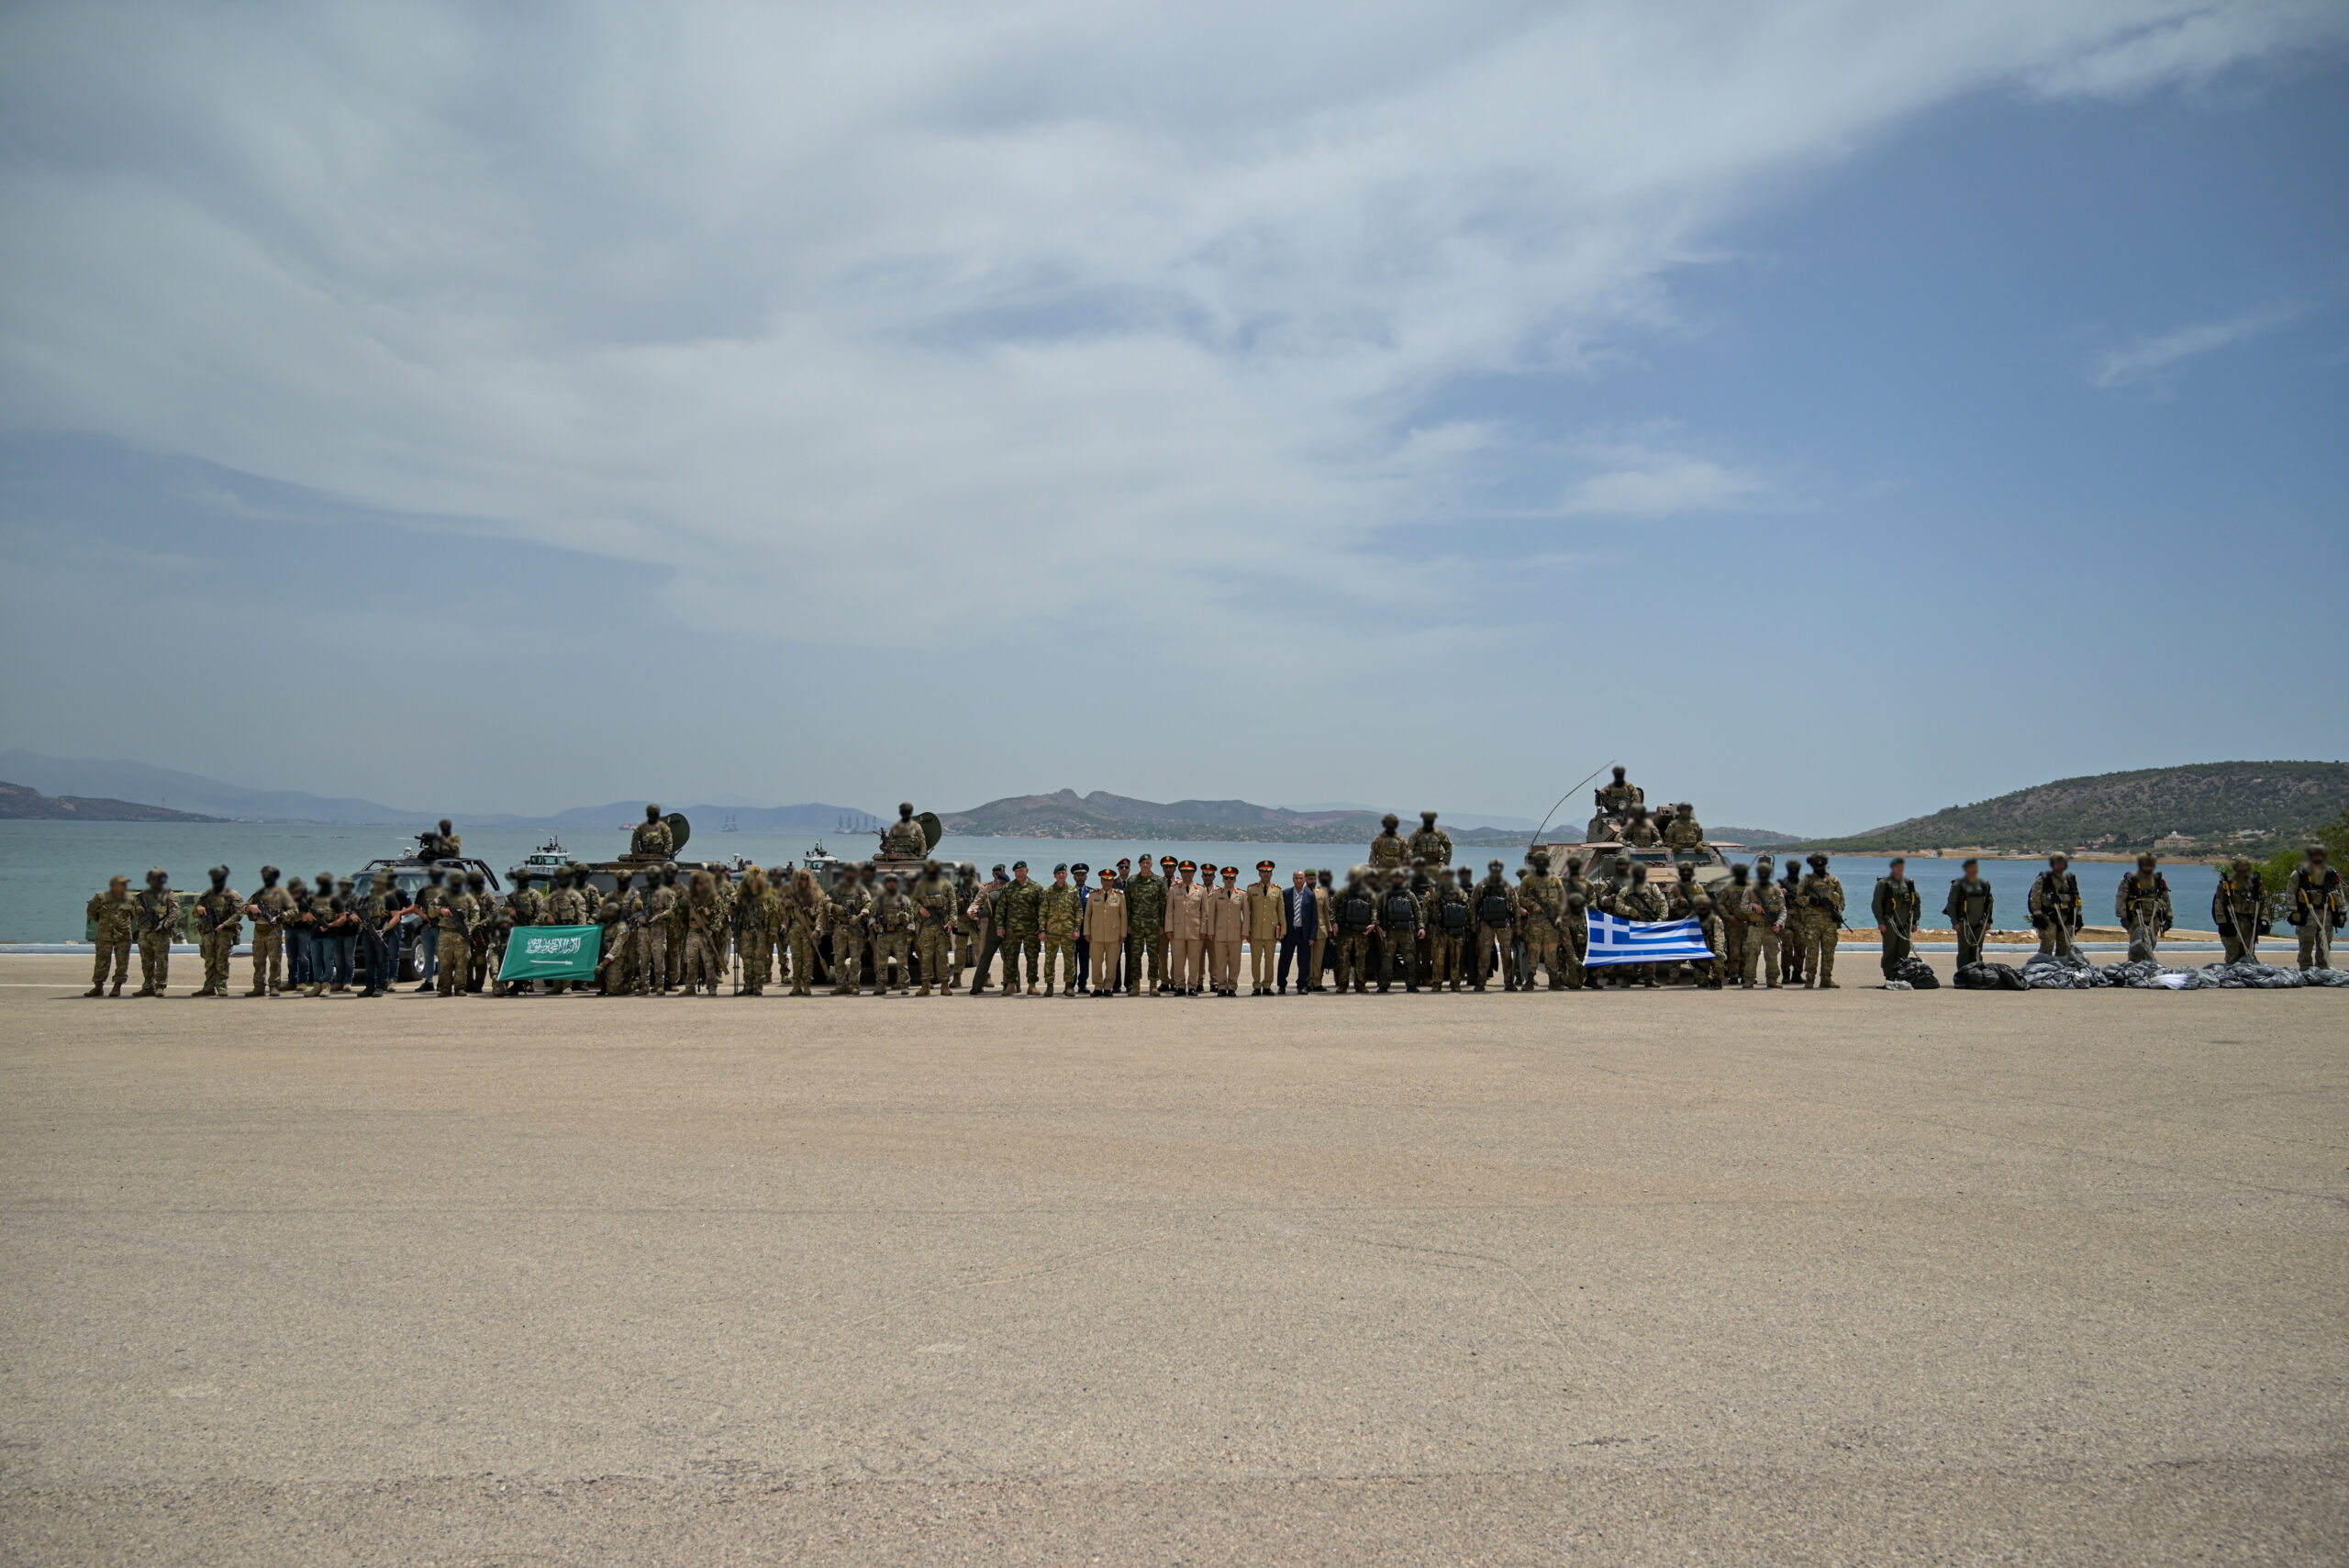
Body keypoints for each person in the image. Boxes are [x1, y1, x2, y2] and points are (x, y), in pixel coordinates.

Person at [2287, 844, 2343, 971]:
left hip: (2327, 912)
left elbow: (2338, 892)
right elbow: (2290, 892)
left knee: (2325, 941)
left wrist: (2342, 910)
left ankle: (2323, 967)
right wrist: (2294, 910)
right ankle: (2305, 967)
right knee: (2306, 941)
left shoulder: (2331, 873)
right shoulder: (2299, 873)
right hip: (2307, 912)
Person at [1518, 851, 1567, 990]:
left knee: (1551, 953)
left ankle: (1554, 981)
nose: (1541, 865)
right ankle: (1530, 980)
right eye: (1538, 862)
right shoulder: (1528, 880)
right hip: (1535, 923)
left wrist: (1560, 916)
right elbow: (1519, 897)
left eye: (1543, 862)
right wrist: (1533, 904)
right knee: (1533, 952)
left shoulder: (1555, 880)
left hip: (1551, 924)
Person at [1797, 852, 1846, 988]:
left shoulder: (1834, 880)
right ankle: (1810, 979)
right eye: (1816, 862)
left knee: (1829, 952)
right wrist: (1810, 900)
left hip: (1830, 921)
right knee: (1812, 952)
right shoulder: (1806, 881)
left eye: (1821, 861)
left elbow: (1842, 900)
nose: (1819, 864)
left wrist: (1837, 912)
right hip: (1812, 921)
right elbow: (1798, 899)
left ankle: (1826, 979)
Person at [191, 866, 242, 997]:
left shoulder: (232, 895)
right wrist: (199, 908)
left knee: (222, 960)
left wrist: (225, 924)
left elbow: (239, 913)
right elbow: (194, 913)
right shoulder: (207, 895)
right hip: (208, 932)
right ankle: (208, 987)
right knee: (209, 960)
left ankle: (221, 986)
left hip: (225, 932)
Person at [128, 868, 179, 997]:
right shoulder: (142, 896)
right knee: (146, 961)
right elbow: (132, 912)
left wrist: (164, 925)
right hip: (145, 932)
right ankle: (148, 986)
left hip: (160, 933)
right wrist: (137, 909)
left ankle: (160, 986)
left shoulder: (169, 895)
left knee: (161, 960)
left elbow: (175, 913)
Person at [2114, 853, 2173, 963]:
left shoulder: (2159, 881)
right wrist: (2123, 916)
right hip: (2136, 917)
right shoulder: (2129, 880)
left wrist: (2169, 918)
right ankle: (2134, 964)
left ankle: (2148, 964)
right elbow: (2121, 897)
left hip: (2154, 918)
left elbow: (2166, 898)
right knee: (2137, 944)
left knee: (2151, 941)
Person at [2210, 856, 2269, 965]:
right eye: (2240, 867)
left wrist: (2264, 919)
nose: (2243, 870)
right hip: (2232, 923)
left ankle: (2247, 974)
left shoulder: (2255, 884)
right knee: (2233, 954)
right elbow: (2218, 903)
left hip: (2250, 924)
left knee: (2248, 955)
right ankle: (2232, 974)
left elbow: (2263, 903)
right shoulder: (2227, 884)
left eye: (2245, 867)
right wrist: (2222, 922)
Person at [1872, 858, 1922, 983]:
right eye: (1897, 866)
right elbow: (1876, 904)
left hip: (1905, 923)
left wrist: (1915, 921)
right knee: (1889, 950)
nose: (1900, 868)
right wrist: (1880, 922)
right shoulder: (1884, 883)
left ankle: (1901, 974)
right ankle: (1889, 976)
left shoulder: (1908, 883)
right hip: (1889, 923)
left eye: (1901, 866)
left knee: (1904, 949)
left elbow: (1916, 902)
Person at [85, 875, 136, 997]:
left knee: (122, 962)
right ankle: (98, 987)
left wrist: (121, 924)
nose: (125, 886)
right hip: (105, 934)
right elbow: (91, 912)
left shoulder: (131, 899)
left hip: (123, 935)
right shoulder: (101, 898)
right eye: (122, 884)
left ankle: (117, 987)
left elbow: (134, 915)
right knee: (101, 961)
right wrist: (104, 923)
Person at [864, 872, 914, 995]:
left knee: (902, 962)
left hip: (900, 935)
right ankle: (881, 986)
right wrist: (873, 924)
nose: (891, 884)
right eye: (889, 881)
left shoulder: (904, 900)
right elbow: (872, 916)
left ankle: (904, 985)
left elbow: (912, 917)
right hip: (883, 935)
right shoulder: (878, 900)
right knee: (881, 962)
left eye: (893, 881)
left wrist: (910, 927)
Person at [1473, 860, 1519, 992]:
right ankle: (1482, 982)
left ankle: (1507, 982)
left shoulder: (1503, 886)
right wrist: (1473, 923)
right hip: (1490, 924)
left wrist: (1518, 925)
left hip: (1501, 924)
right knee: (1485, 954)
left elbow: (1515, 906)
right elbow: (1474, 905)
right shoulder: (1483, 885)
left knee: (1504, 955)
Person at [1124, 854, 1167, 995]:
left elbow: (1163, 904)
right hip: (1136, 925)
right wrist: (1128, 924)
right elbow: (1127, 904)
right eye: (1143, 863)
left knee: (1153, 956)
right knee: (1135, 956)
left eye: (1148, 863)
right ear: (1139, 865)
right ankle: (1135, 986)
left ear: (1151, 864)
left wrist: (1162, 925)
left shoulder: (1159, 881)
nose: (1145, 865)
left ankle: (1153, 986)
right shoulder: (1132, 881)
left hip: (1153, 925)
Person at [2028, 853, 2084, 959]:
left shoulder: (2070, 880)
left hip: (2066, 917)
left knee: (2065, 946)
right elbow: (2035, 897)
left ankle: (2061, 966)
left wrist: (2079, 915)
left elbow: (2077, 898)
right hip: (2048, 917)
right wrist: (2038, 915)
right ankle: (2042, 965)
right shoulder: (2044, 879)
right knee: (2047, 945)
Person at [1375, 868, 1422, 994]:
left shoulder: (1409, 895)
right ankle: (1384, 984)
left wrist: (1421, 927)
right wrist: (1377, 925)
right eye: (1395, 878)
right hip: (1390, 932)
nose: (1397, 880)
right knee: (1387, 959)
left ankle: (1411, 984)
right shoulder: (1385, 895)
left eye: (1400, 877)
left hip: (1407, 932)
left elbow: (1417, 911)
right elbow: (1377, 909)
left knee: (1410, 958)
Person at [1164, 861, 1208, 996]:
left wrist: (1203, 930)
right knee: (1178, 960)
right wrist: (1169, 929)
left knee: (1194, 961)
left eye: (1189, 871)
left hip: (1195, 931)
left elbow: (1205, 913)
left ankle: (1193, 986)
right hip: (1177, 931)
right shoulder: (1174, 889)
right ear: (1181, 873)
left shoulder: (1201, 890)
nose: (1186, 874)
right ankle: (1180, 986)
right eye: (1184, 872)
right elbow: (1169, 911)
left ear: (1194, 873)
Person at [1943, 860, 1994, 971]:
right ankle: (1963, 975)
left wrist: (1989, 921)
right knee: (1964, 952)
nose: (1974, 870)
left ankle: (1977, 974)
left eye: (1975, 867)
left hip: (1980, 924)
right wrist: (1955, 922)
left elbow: (1989, 903)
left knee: (1977, 951)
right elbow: (1951, 905)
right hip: (1963, 924)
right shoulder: (1958, 885)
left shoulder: (1984, 885)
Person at [1040, 864, 1083, 996]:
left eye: (1063, 873)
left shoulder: (1072, 891)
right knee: (1049, 959)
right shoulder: (1048, 891)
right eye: (1059, 873)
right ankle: (1049, 986)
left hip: (1068, 932)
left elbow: (1078, 911)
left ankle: (1069, 986)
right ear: (1055, 876)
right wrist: (1042, 930)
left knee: (1069, 960)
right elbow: (1042, 912)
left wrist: (1077, 929)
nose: (1061, 875)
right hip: (1051, 932)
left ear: (1067, 875)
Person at [1330, 872, 1376, 994]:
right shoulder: (1343, 892)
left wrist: (1373, 923)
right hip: (1346, 931)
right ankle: (1343, 985)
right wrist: (1333, 922)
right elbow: (1332, 907)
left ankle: (1360, 985)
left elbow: (1374, 909)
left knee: (1361, 959)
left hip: (1362, 932)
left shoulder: (1368, 893)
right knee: (1344, 959)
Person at [965, 865, 1008, 995]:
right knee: (984, 955)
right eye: (996, 873)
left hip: (1006, 926)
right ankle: (982, 981)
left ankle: (1008, 983)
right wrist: (971, 911)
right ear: (993, 874)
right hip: (988, 926)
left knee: (1008, 957)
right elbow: (977, 902)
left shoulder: (1011, 888)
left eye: (1000, 873)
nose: (997, 875)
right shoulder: (986, 888)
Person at [1084, 869, 1128, 996]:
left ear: (1112, 881)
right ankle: (1098, 986)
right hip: (1096, 935)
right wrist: (1087, 932)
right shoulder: (1093, 895)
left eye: (1109, 880)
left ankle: (1108, 987)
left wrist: (1123, 934)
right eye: (1104, 880)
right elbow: (1088, 915)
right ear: (1101, 881)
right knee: (1096, 963)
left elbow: (1123, 916)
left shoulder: (1119, 896)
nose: (1107, 882)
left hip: (1114, 935)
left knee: (1112, 963)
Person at [1244, 861, 1286, 995]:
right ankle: (1256, 985)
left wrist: (1283, 929)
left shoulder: (1277, 890)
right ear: (1259, 873)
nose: (1265, 874)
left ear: (1271, 874)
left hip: (1271, 931)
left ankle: (1267, 985)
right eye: (1263, 872)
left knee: (1269, 960)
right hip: (1255, 930)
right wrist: (1247, 930)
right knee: (1255, 960)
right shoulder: (1251, 889)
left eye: (1268, 872)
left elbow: (1281, 911)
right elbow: (1247, 912)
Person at [1278, 869, 1319, 995]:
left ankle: (1302, 985)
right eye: (1296, 878)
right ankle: (1282, 985)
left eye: (1301, 878)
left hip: (1304, 933)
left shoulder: (1310, 895)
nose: (1299, 880)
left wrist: (1313, 936)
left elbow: (1314, 916)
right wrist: (1280, 932)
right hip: (1289, 932)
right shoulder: (1286, 894)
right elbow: (1281, 914)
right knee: (1285, 960)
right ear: (1293, 879)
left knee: (1304, 961)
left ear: (1305, 880)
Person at [1776, 860, 1807, 986]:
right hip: (1786, 920)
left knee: (1801, 948)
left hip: (1801, 920)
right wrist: (1780, 893)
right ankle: (1786, 974)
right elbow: (1770, 898)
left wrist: (1801, 899)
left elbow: (1810, 900)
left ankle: (1797, 974)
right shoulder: (1780, 884)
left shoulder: (1804, 884)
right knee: (1787, 948)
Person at [1310, 869, 1336, 991]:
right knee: (1307, 959)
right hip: (1306, 931)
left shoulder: (1323, 893)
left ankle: (1317, 983)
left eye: (1314, 878)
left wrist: (1329, 929)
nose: (1312, 881)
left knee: (1319, 959)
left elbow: (1327, 912)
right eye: (1309, 878)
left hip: (1321, 930)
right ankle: (1308, 982)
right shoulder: (1302, 892)